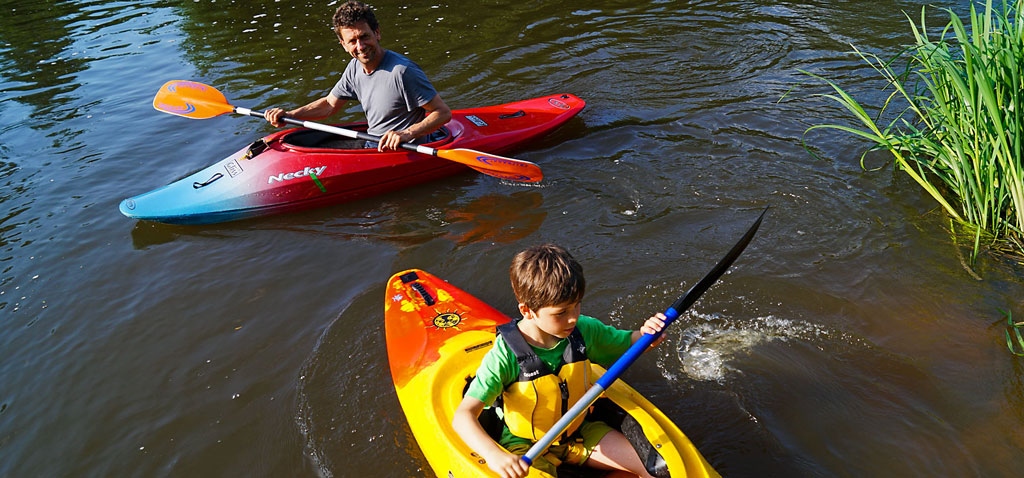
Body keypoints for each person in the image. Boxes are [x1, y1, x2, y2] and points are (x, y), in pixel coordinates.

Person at [452, 244, 668, 478]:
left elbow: (628, 343)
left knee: (656, 470)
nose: (573, 317)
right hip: (527, 447)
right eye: (561, 312)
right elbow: (463, 416)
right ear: (527, 311)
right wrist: (494, 455)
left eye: (576, 305)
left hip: (581, 433)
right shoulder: (505, 357)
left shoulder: (584, 329)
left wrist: (647, 336)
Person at [263, 1, 451, 152]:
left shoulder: (402, 72)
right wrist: (290, 115)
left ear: (377, 33)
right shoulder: (354, 68)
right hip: (373, 145)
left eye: (364, 37)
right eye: (352, 41)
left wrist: (407, 133)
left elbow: (442, 113)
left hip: (405, 150)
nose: (360, 46)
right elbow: (329, 105)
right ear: (343, 44)